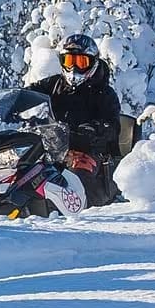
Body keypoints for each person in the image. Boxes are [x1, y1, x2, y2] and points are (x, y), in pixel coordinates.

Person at [25, 33, 122, 206]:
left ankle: (84, 214)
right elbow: (29, 93)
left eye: (81, 62)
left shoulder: (105, 93)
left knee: (77, 177)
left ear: (92, 63)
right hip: (54, 146)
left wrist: (94, 129)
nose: (74, 68)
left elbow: (112, 126)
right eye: (69, 61)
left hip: (89, 150)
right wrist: (11, 105)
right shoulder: (54, 84)